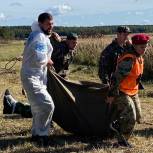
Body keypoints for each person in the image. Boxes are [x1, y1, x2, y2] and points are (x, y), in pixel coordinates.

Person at [20, 12, 55, 146]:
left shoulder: (39, 34)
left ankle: (36, 134)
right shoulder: (39, 37)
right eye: (48, 24)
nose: (50, 26)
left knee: (37, 108)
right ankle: (42, 135)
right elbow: (41, 59)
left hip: (37, 76)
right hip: (32, 76)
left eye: (52, 24)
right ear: (40, 23)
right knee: (47, 105)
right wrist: (49, 60)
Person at [108, 34, 150, 142]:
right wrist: (111, 95)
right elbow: (116, 78)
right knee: (130, 118)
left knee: (138, 117)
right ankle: (122, 141)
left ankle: (116, 124)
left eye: (146, 47)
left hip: (132, 91)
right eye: (142, 47)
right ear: (134, 46)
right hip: (121, 91)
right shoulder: (129, 59)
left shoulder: (138, 56)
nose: (144, 49)